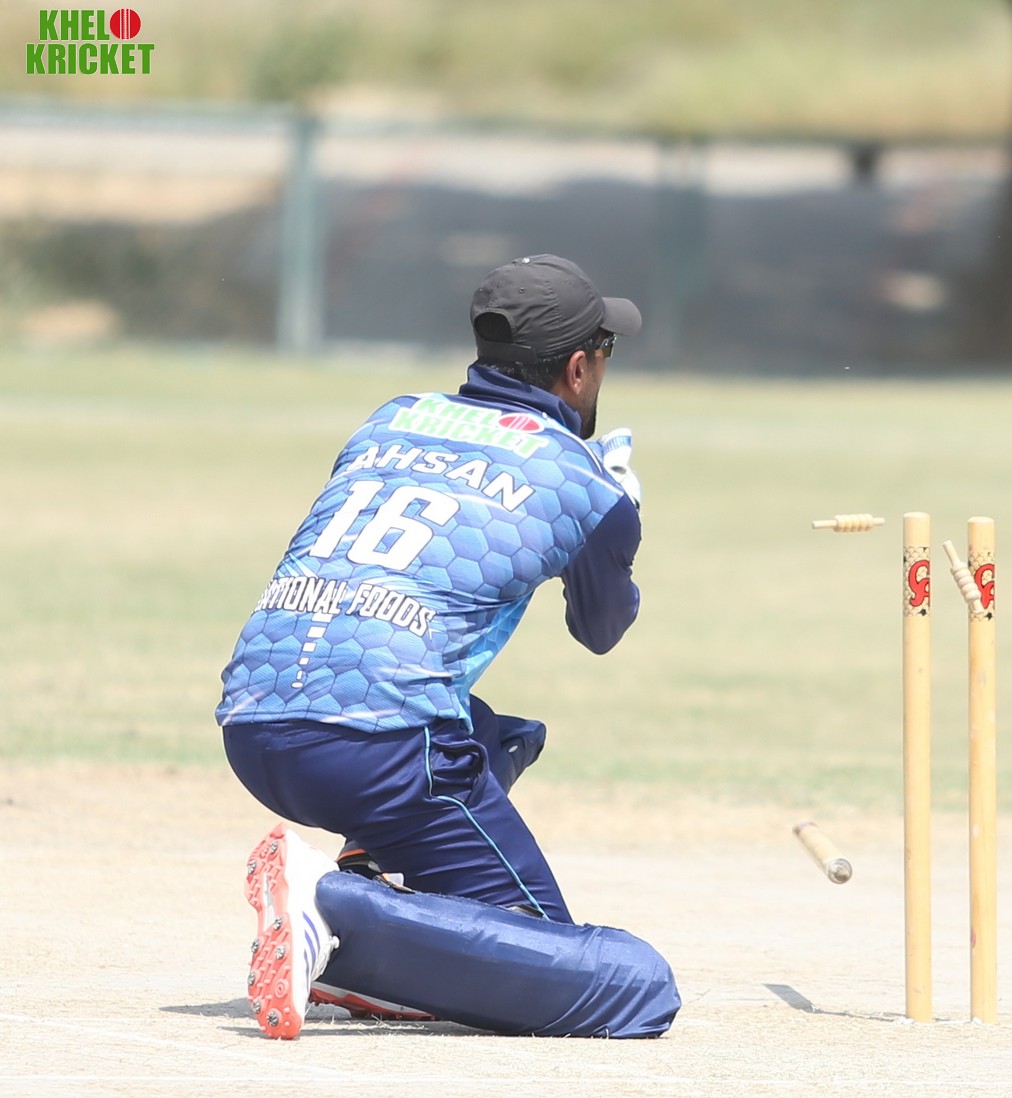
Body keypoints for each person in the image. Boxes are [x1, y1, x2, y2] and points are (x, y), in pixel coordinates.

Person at [216, 254, 679, 1040]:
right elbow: (600, 629)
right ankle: (333, 905)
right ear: (578, 368)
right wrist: (621, 509)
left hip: (253, 727)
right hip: (379, 750)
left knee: (498, 736)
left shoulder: (390, 417)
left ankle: (365, 886)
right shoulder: (587, 482)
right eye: (604, 353)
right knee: (627, 986)